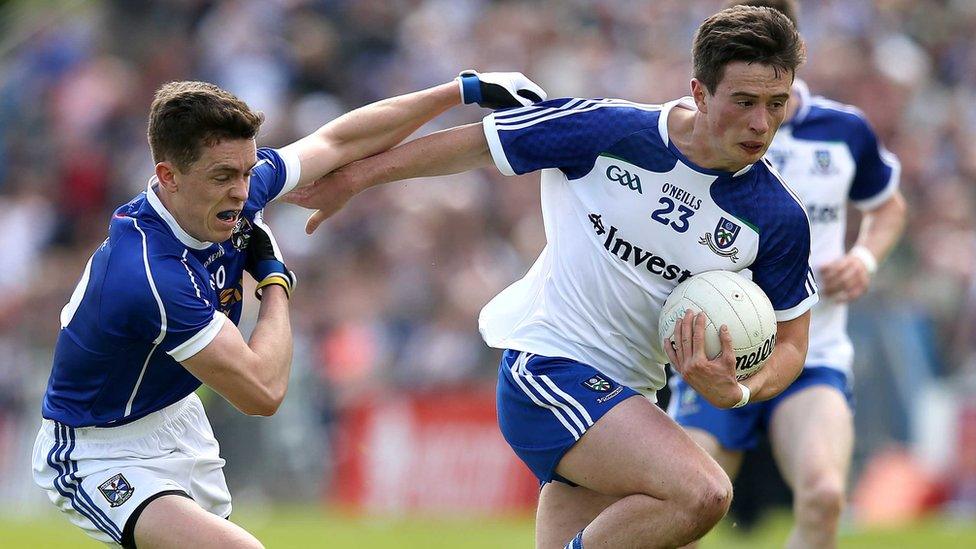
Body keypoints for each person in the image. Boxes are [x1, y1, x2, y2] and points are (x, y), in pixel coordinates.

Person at [288, 6, 816, 548]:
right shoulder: (607, 130)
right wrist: (354, 178)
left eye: (776, 104)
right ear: (700, 93)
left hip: (630, 399)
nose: (760, 123)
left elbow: (794, 342)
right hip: (549, 370)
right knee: (703, 493)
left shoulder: (777, 218)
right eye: (744, 102)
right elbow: (475, 145)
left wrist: (740, 390)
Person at [31, 72, 545, 549]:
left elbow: (338, 142)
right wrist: (274, 279)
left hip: (174, 417)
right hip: (98, 451)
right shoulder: (148, 275)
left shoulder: (222, 197)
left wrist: (460, 90)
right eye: (223, 176)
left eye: (248, 172)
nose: (241, 191)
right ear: (168, 176)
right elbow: (262, 391)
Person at [667, 2, 907, 548]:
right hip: (716, 350)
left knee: (824, 497)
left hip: (813, 350)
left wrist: (863, 258)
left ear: (791, 47)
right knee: (684, 507)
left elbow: (887, 205)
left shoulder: (843, 130)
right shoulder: (698, 125)